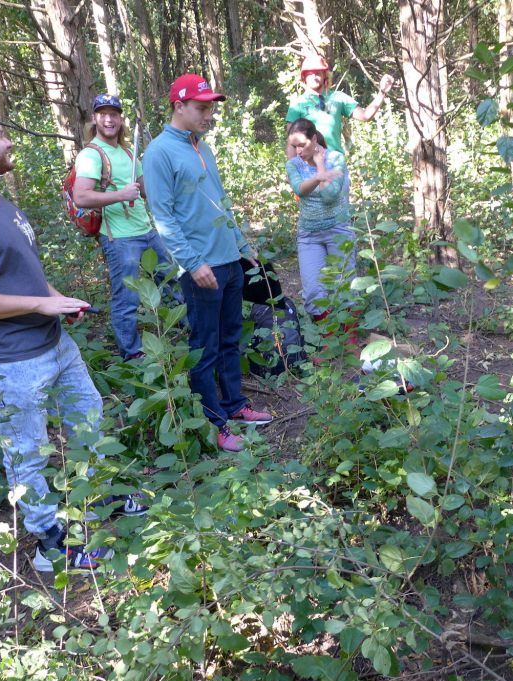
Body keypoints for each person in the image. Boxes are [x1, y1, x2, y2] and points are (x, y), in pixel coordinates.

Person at [0, 104, 145, 573]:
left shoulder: (2, 203)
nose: (9, 142)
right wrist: (39, 305)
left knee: (89, 416)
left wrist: (59, 300)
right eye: (1, 135)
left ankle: (101, 493)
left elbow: (26, 278)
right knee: (26, 448)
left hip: (54, 342)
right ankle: (49, 543)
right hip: (6, 359)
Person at [142, 74, 273, 452]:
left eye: (211, 107)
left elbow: (219, 200)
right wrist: (191, 262)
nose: (209, 114)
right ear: (178, 106)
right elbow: (163, 215)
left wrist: (242, 242)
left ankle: (234, 406)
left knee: (231, 338)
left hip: (229, 259)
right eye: (201, 108)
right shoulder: (160, 152)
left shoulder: (203, 146)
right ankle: (214, 423)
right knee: (205, 345)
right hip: (201, 266)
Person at [71, 93, 181, 361]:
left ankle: (188, 330)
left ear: (121, 119)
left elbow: (145, 189)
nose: (109, 119)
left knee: (172, 283)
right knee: (127, 299)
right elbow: (81, 196)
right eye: (103, 114)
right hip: (119, 239)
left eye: (114, 114)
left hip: (147, 231)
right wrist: (121, 195)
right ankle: (132, 356)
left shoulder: (128, 152)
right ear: (95, 119)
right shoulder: (91, 154)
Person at [285, 118, 356, 322]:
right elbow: (299, 189)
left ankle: (348, 340)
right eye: (294, 146)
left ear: (314, 139)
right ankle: (326, 338)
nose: (298, 151)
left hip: (338, 229)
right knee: (314, 291)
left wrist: (320, 165)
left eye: (302, 145)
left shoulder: (336, 158)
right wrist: (320, 175)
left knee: (344, 286)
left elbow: (330, 195)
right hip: (309, 235)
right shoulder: (294, 165)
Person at [285, 54, 395, 157]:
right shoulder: (297, 103)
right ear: (304, 77)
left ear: (324, 75)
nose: (314, 77)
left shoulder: (338, 97)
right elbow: (291, 142)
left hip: (335, 162)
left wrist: (382, 92)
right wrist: (293, 170)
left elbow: (365, 115)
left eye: (318, 73)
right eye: (310, 74)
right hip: (309, 164)